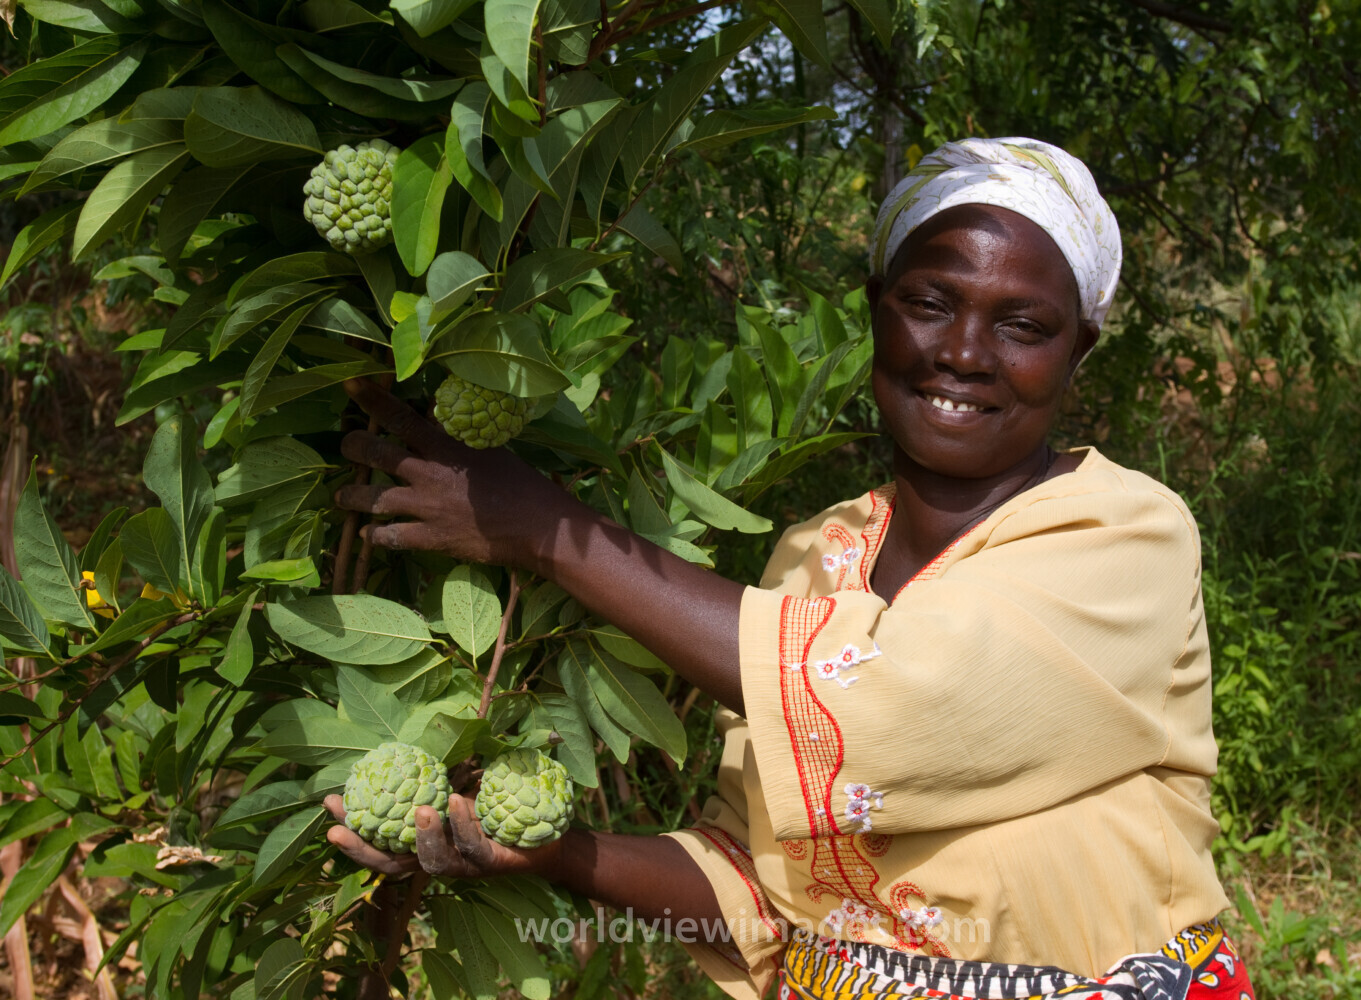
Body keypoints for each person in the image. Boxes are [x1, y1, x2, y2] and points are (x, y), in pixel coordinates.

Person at [325, 138, 1257, 1000]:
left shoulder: (1124, 532)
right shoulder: (817, 552)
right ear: (876, 308)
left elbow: (894, 696)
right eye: (930, 303)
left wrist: (548, 530)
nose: (965, 354)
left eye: (1023, 325)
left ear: (1078, 351)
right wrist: (554, 850)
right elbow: (764, 881)